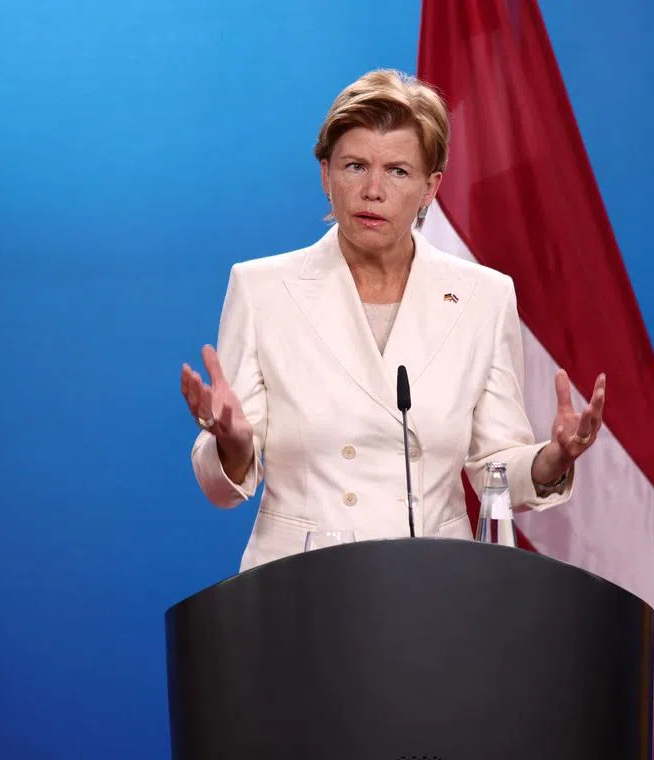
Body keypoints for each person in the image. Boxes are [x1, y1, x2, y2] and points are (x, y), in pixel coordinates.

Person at [180, 69, 606, 572]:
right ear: (325, 175)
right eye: (355, 166)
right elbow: (223, 490)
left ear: (431, 188)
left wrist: (552, 459)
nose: (373, 190)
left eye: (398, 172)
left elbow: (494, 466)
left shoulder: (483, 296)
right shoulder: (262, 289)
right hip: (299, 585)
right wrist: (231, 443)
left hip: (431, 586)